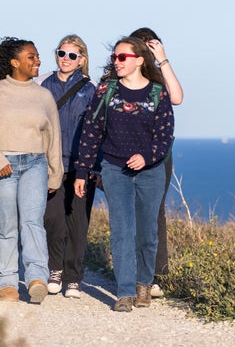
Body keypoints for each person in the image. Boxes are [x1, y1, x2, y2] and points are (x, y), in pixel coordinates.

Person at [74, 36, 174, 312]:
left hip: (151, 172)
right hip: (115, 169)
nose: (116, 62)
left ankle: (144, 284)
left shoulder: (157, 93)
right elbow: (91, 132)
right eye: (114, 58)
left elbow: (165, 136)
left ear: (139, 60)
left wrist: (147, 156)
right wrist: (83, 171)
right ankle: (125, 292)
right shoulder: (107, 90)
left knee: (147, 231)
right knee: (121, 230)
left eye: (122, 57)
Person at [0, 37, 63, 304]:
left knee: (33, 223)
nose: (38, 61)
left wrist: (55, 173)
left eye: (37, 56)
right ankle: (7, 283)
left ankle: (36, 279)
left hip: (36, 164)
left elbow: (53, 137)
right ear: (14, 62)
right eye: (31, 57)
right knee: (8, 226)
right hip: (2, 167)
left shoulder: (44, 95)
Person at [35, 35, 98, 299]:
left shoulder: (90, 88)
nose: (65, 59)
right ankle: (55, 269)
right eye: (61, 53)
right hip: (50, 162)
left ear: (82, 59)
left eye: (72, 55)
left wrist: (94, 165)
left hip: (81, 164)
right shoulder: (43, 84)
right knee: (53, 220)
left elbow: (96, 128)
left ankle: (73, 277)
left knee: (78, 222)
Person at [129, 27, 183, 299]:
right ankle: (134, 275)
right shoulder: (120, 73)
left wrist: (163, 59)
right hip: (125, 152)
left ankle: (155, 276)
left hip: (158, 152)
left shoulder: (159, 78)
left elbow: (177, 97)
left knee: (155, 212)